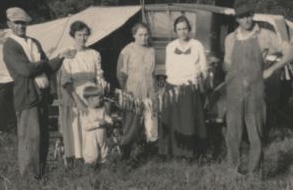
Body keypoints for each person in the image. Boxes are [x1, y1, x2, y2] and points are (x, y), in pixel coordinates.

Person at [2, 7, 75, 179]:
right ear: (9, 24)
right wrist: (41, 63)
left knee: (42, 139)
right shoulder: (10, 46)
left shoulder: (33, 42)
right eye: (17, 23)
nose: (21, 26)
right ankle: (29, 179)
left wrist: (61, 57)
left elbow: (48, 67)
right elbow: (25, 70)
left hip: (41, 95)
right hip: (27, 97)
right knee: (30, 139)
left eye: (24, 23)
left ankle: (40, 175)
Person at [223, 0, 291, 176]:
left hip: (256, 91)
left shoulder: (265, 35)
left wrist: (273, 69)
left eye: (248, 15)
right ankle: (233, 172)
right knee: (233, 134)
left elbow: (288, 51)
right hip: (234, 91)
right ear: (236, 19)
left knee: (256, 133)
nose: (246, 20)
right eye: (241, 17)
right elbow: (227, 64)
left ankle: (255, 173)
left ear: (252, 15)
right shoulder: (230, 39)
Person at [160, 15, 208, 159]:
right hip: (173, 86)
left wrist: (199, 79)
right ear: (175, 31)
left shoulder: (197, 45)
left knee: (189, 120)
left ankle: (190, 153)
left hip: (190, 87)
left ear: (189, 29)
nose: (182, 32)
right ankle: (172, 152)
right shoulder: (170, 47)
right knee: (173, 120)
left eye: (185, 28)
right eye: (179, 29)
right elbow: (168, 69)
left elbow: (204, 68)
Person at [58, 21, 106, 163]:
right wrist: (77, 101)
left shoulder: (94, 54)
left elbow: (99, 75)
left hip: (92, 94)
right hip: (75, 93)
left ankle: (93, 159)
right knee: (78, 126)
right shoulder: (68, 54)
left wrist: (101, 89)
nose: (83, 38)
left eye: (85, 35)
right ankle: (78, 159)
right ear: (73, 35)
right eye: (79, 35)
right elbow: (65, 82)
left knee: (92, 127)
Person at [116, 22, 156, 159]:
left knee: (149, 123)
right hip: (132, 91)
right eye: (140, 35)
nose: (144, 38)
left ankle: (147, 155)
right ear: (134, 35)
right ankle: (125, 157)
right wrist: (126, 92)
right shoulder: (127, 50)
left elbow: (153, 72)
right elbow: (121, 73)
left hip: (149, 90)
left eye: (146, 35)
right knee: (131, 124)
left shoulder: (152, 50)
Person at [78, 85, 113, 165]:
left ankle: (103, 167)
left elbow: (108, 118)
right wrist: (98, 124)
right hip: (91, 139)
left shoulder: (102, 110)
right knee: (92, 154)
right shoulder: (86, 112)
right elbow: (85, 126)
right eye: (99, 98)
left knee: (103, 152)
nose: (101, 100)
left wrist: (108, 122)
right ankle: (90, 168)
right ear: (91, 99)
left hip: (102, 137)